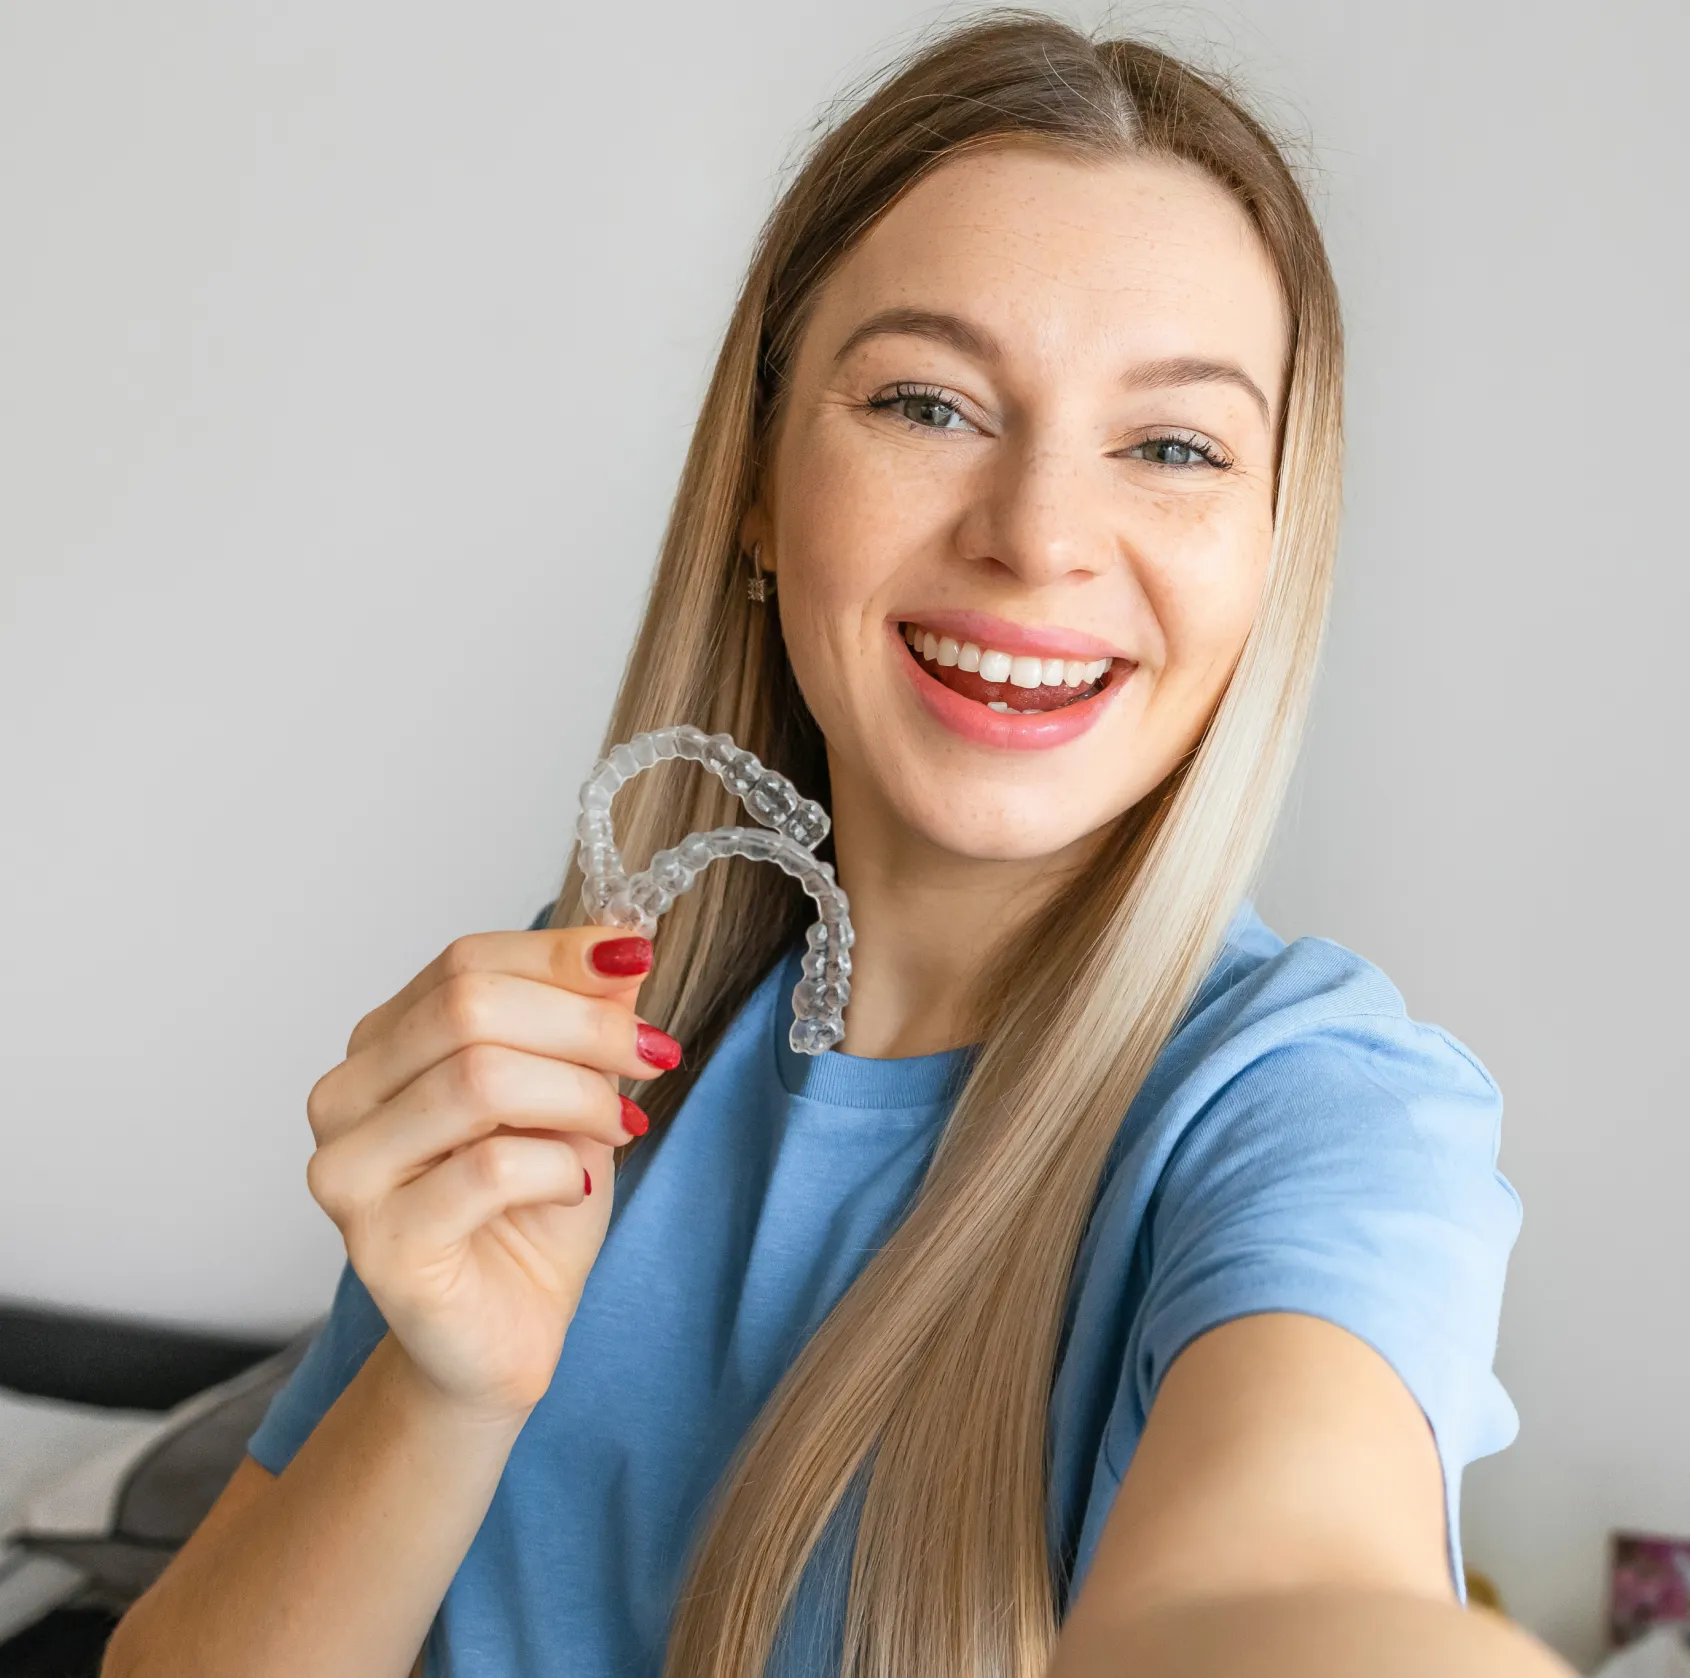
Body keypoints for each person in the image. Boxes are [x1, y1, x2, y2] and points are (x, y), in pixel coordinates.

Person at [102, 14, 1572, 1678]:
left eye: (1172, 446)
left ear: (1268, 551)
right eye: (929, 403)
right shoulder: (584, 1035)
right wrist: (450, 1387)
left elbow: (1274, 1590)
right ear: (756, 475)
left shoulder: (1315, 1110)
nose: (1033, 537)